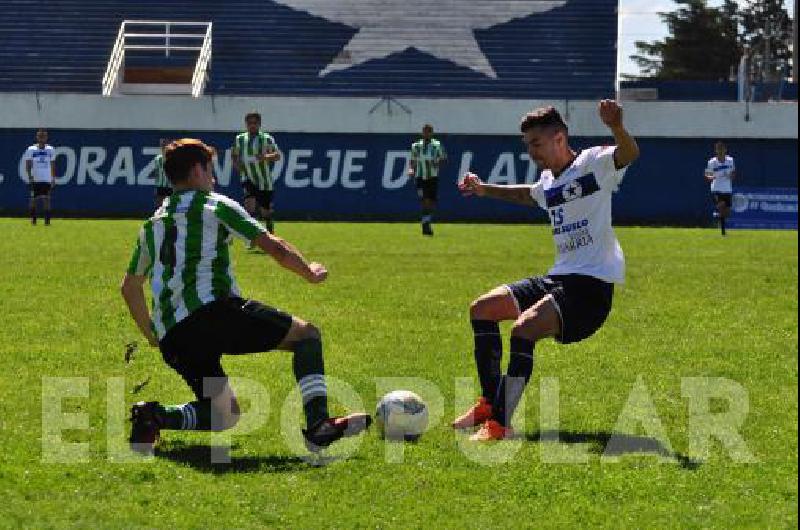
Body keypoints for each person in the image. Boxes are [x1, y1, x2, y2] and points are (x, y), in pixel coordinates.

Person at [121, 138, 370, 455]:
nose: (213, 177)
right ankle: (319, 425)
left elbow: (130, 287)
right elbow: (273, 247)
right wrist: (310, 271)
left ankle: (154, 415)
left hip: (174, 335)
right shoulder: (214, 205)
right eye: (210, 169)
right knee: (307, 336)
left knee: (225, 414)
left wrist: (153, 334)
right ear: (198, 170)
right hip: (213, 315)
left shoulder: (152, 224)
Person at [454, 101, 640, 441]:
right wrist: (484, 189)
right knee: (483, 309)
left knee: (523, 330)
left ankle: (500, 424)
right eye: (527, 146)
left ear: (559, 138)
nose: (531, 152)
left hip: (590, 289)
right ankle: (489, 402)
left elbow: (629, 153)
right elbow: (530, 195)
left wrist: (616, 127)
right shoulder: (548, 180)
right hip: (559, 278)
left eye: (535, 144)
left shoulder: (593, 164)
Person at [232, 112, 281, 234]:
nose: (252, 126)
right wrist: (238, 166)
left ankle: (270, 232)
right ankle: (252, 237)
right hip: (247, 178)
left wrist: (265, 157)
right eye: (249, 123)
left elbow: (277, 155)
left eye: (255, 123)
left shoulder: (266, 138)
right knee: (249, 207)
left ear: (259, 124)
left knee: (265, 211)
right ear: (246, 124)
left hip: (264, 181)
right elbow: (234, 155)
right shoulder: (240, 139)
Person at [408, 124, 446, 236]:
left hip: (432, 176)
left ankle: (426, 221)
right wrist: (411, 170)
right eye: (425, 132)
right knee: (425, 199)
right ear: (422, 133)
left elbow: (443, 159)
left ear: (431, 133)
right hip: (420, 177)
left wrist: (437, 163)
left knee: (431, 201)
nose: (426, 134)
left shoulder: (437, 145)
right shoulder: (416, 146)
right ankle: (426, 224)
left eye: (428, 132)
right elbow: (413, 160)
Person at [22, 129, 56, 225]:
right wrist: (30, 176)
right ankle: (33, 219)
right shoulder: (31, 149)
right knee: (33, 199)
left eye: (43, 136)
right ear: (37, 137)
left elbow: (53, 164)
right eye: (40, 136)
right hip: (35, 178)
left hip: (46, 178)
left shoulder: (51, 149)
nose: (42, 138)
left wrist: (53, 178)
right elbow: (28, 164)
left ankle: (47, 221)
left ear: (46, 137)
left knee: (47, 199)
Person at [705, 141, 736, 236]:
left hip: (727, 189)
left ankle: (717, 216)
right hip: (716, 188)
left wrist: (731, 176)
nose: (721, 151)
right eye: (719, 149)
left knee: (727, 213)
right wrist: (712, 177)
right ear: (716, 151)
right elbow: (707, 175)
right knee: (721, 206)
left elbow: (734, 173)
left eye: (722, 149)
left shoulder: (730, 160)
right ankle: (723, 232)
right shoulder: (712, 162)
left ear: (725, 150)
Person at [152, 138, 173, 207]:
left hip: (171, 186)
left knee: (170, 205)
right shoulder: (158, 158)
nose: (163, 148)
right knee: (159, 206)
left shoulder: (173, 157)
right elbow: (157, 172)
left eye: (165, 146)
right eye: (162, 146)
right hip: (161, 186)